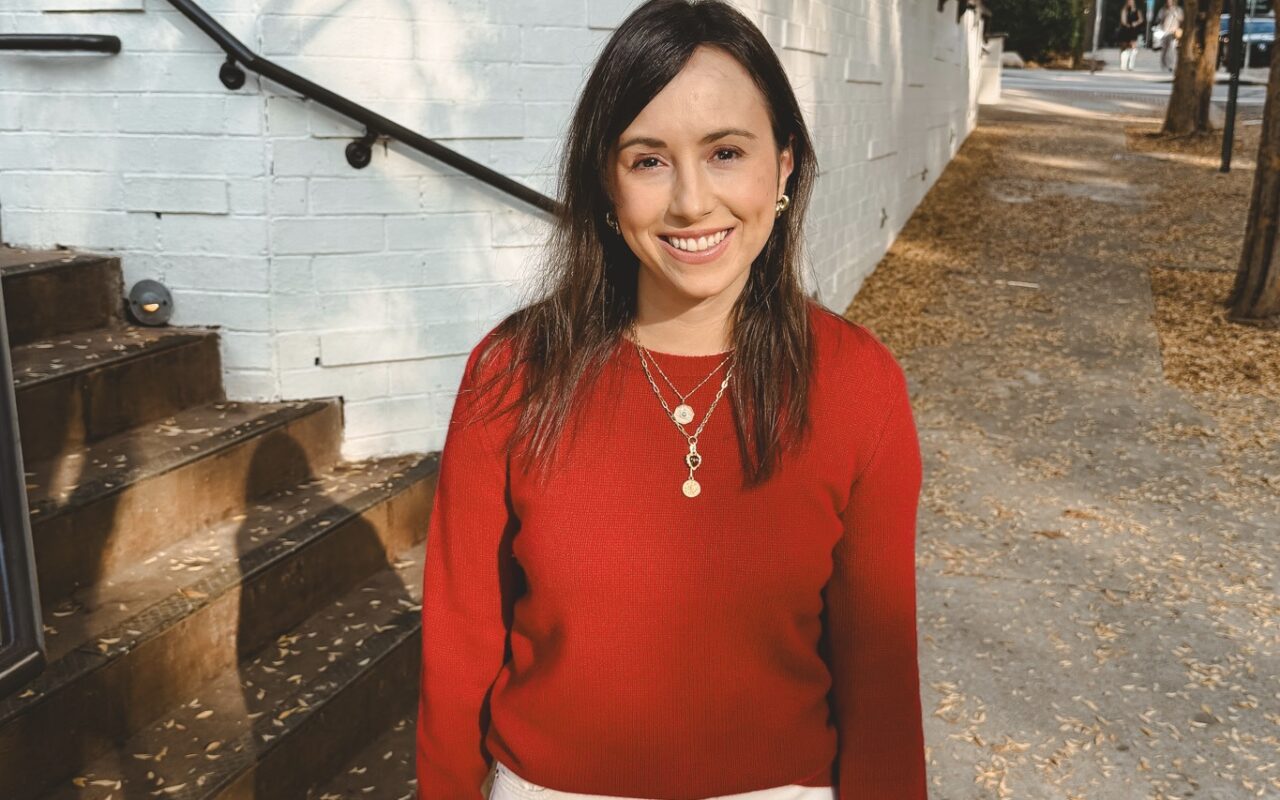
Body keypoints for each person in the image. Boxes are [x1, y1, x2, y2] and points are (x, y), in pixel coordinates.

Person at [415, 1, 927, 799]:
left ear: (785, 164)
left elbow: (881, 672)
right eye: (648, 160)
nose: (691, 202)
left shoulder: (858, 385)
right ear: (605, 183)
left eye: (726, 152)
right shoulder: (513, 373)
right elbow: (459, 645)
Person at [1155, 0, 1184, 72]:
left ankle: (1171, 65)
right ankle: (1164, 65)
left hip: (1173, 32)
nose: (1169, 2)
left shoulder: (1178, 10)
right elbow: (1158, 20)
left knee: (1172, 48)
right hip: (1164, 31)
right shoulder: (1163, 10)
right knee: (1164, 49)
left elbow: (1181, 20)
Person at [1117, 0, 1146, 71]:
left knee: (1133, 47)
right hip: (1125, 30)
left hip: (1133, 30)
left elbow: (1141, 19)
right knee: (1124, 47)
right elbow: (1123, 20)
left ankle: (1131, 65)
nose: (1130, 3)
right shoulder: (1124, 10)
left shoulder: (1137, 11)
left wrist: (1135, 23)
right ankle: (1123, 64)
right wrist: (1126, 24)